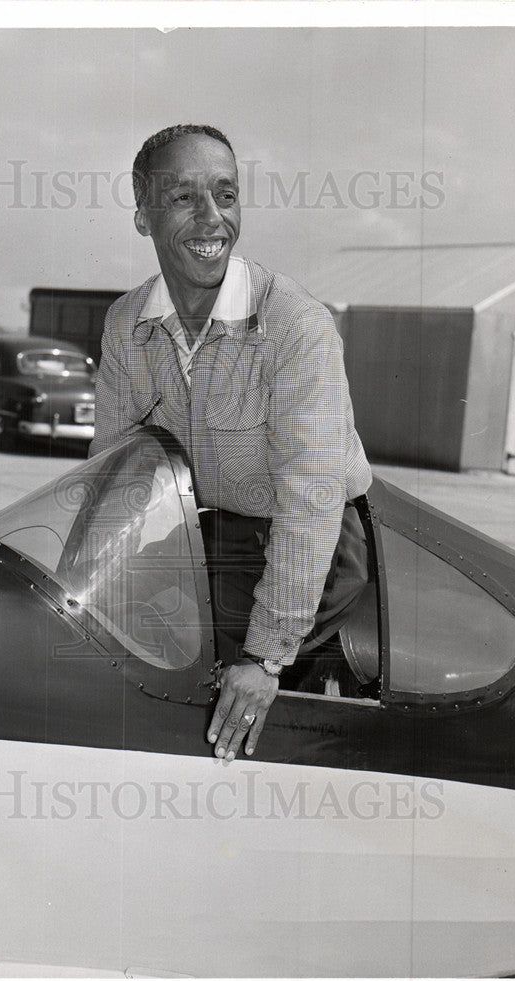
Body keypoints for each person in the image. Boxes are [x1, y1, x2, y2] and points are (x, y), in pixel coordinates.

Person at [90, 124, 372, 761]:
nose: (211, 218)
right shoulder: (126, 325)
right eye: (184, 197)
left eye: (226, 194)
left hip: (314, 545)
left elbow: (312, 500)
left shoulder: (295, 325)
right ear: (142, 214)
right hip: (209, 531)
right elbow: (112, 470)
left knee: (218, 700)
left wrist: (265, 658)